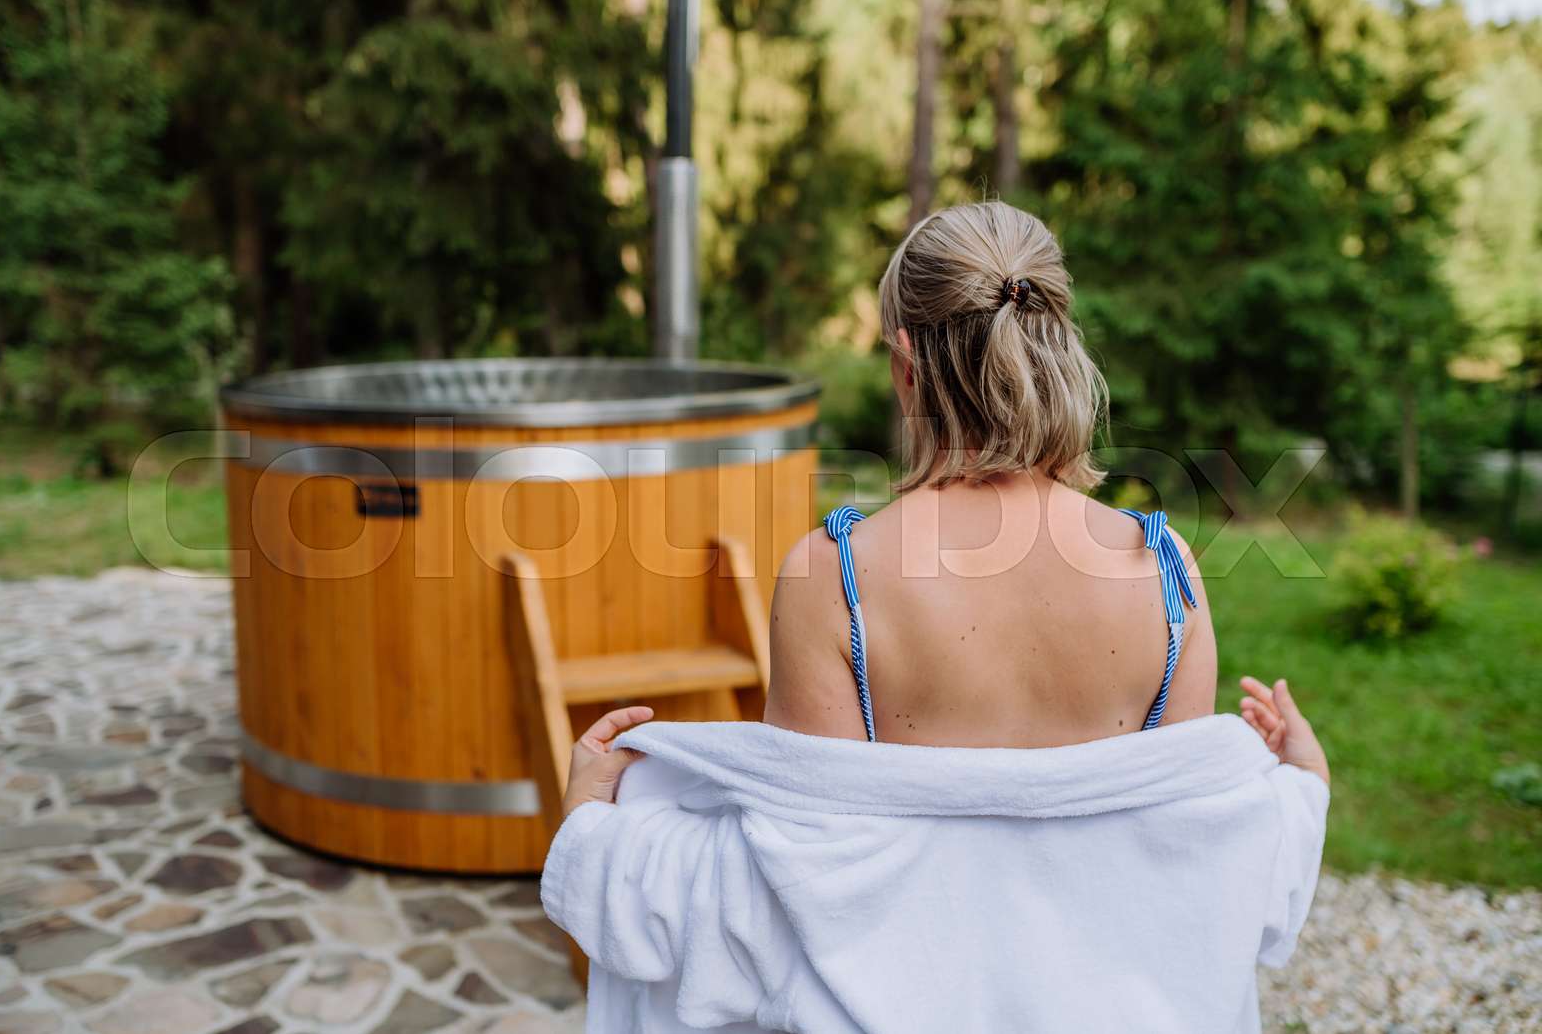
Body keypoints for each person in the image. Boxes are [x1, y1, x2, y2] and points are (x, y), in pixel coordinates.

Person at [541, 201, 1331, 1033]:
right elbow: (1184, 862)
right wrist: (1302, 785)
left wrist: (602, 827)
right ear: (1055, 337)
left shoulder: (833, 576)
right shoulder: (1167, 574)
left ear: (906, 361)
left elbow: (786, 889)